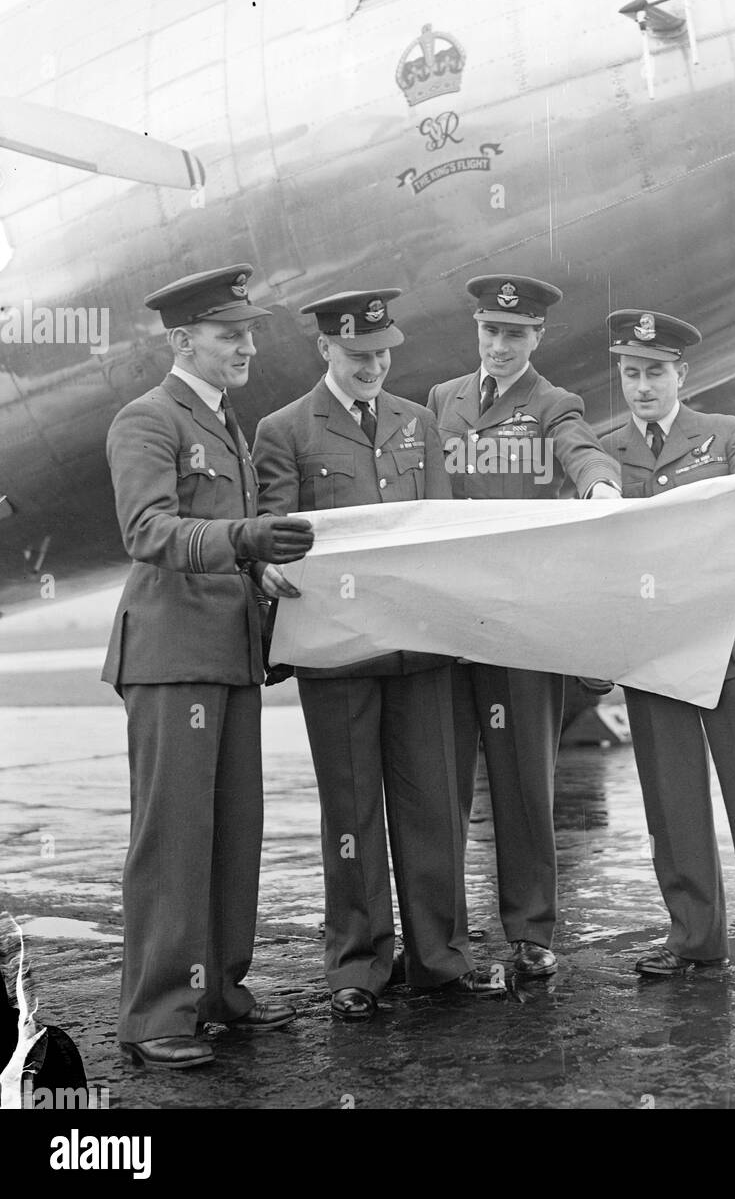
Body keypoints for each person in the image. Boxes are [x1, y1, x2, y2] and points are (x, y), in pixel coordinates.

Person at [252, 289, 504, 1021]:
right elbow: (273, 528)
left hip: (418, 649)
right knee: (351, 814)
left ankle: (439, 959)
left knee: (433, 807)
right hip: (337, 654)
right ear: (325, 349)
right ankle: (356, 965)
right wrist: (266, 569)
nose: (373, 365)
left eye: (383, 353)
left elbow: (436, 523)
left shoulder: (416, 423)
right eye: (359, 354)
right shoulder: (285, 430)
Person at [102, 265, 314, 1069]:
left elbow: (232, 538)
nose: (247, 347)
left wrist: (261, 569)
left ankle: (220, 993)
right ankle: (156, 1014)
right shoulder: (146, 419)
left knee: (232, 833)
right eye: (231, 335)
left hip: (228, 654)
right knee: (173, 838)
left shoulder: (226, 424)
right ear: (184, 340)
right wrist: (244, 543)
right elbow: (150, 532)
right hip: (170, 657)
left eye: (249, 333)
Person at [601, 309, 735, 984]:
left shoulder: (726, 436)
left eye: (654, 373)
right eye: (631, 373)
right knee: (672, 803)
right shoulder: (605, 452)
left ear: (680, 375)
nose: (641, 386)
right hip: (656, 655)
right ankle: (695, 941)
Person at [427, 275, 621, 978]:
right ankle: (437, 938)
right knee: (439, 784)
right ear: (476, 332)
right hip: (448, 623)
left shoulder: (551, 404)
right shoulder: (442, 400)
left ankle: (530, 933)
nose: (500, 345)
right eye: (489, 331)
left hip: (518, 624)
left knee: (521, 785)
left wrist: (599, 484)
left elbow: (581, 449)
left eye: (514, 333)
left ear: (536, 337)